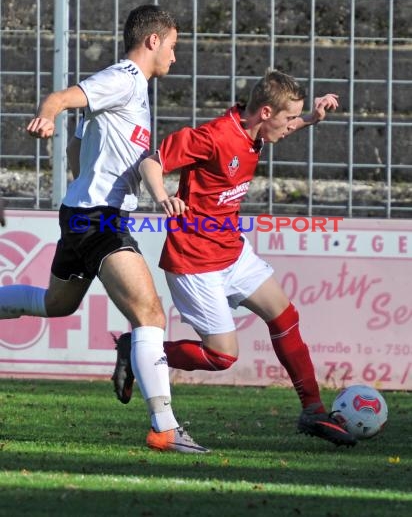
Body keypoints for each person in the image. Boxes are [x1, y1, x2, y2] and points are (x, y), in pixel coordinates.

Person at [0, 4, 208, 454]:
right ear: (152, 41)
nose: (175, 55)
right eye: (172, 45)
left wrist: (86, 178)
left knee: (56, 304)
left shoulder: (133, 90)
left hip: (82, 214)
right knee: (150, 314)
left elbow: (79, 147)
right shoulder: (124, 79)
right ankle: (165, 427)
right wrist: (48, 114)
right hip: (100, 219)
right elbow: (62, 98)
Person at [112, 68, 357, 447]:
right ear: (264, 113)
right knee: (222, 357)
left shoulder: (254, 130)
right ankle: (139, 349)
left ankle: (313, 411)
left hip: (231, 250)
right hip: (195, 260)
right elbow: (151, 159)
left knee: (285, 315)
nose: (290, 124)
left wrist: (310, 120)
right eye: (289, 116)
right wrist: (162, 197)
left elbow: (282, 129)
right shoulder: (214, 137)